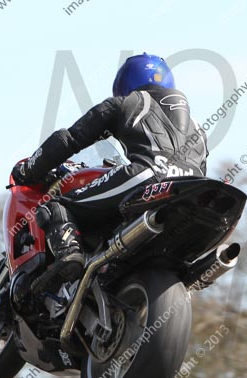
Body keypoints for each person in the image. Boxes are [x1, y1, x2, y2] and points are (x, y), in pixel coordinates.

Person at [12, 53, 208, 294]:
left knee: (57, 207)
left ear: (125, 83)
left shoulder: (127, 103)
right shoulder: (198, 126)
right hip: (193, 190)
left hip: (146, 176)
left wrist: (30, 169)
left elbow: (70, 139)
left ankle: (70, 258)